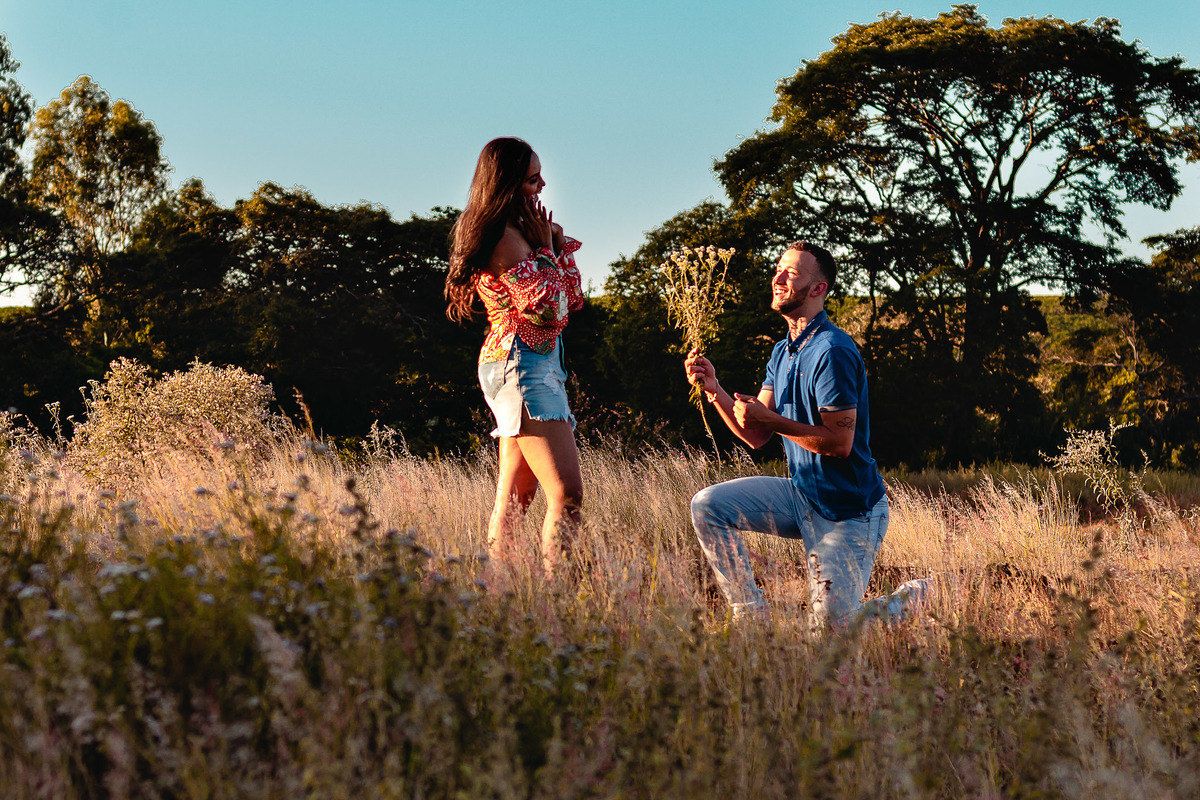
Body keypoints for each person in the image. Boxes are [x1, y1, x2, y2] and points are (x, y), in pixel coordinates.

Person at [685, 241, 928, 629]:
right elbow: (755, 435)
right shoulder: (783, 352)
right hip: (801, 497)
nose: (778, 278)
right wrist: (716, 391)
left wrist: (773, 420)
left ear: (818, 289)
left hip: (849, 512)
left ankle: (913, 598)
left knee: (829, 635)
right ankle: (750, 613)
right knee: (708, 506)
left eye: (792, 274)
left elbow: (839, 443)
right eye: (779, 269)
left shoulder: (833, 352)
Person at [445, 137, 584, 579]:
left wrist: (553, 247)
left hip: (528, 363)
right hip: (521, 364)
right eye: (531, 179)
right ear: (506, 184)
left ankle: (500, 598)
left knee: (514, 499)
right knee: (566, 494)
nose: (542, 184)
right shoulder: (503, 238)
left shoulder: (522, 233)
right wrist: (546, 250)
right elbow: (547, 309)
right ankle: (558, 599)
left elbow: (573, 299)